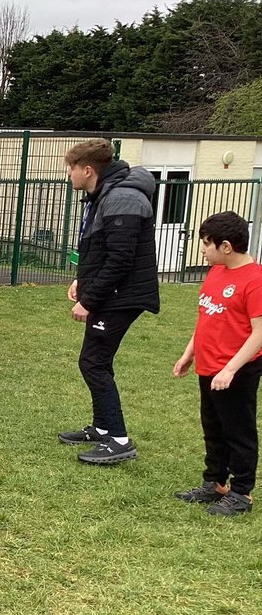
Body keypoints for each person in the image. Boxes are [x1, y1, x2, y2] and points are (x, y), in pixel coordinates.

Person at [57, 138, 159, 464]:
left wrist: (89, 300)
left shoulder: (122, 198)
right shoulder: (102, 195)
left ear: (87, 170)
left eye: (71, 169)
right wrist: (81, 280)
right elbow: (102, 249)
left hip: (122, 297)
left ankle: (117, 439)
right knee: (95, 361)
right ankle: (102, 429)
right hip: (112, 294)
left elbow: (120, 260)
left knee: (94, 363)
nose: (69, 175)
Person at [172, 211, 262, 516]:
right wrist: (189, 352)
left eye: (206, 244)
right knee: (212, 427)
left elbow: (259, 334)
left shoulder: (254, 280)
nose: (202, 250)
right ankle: (216, 483)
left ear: (226, 246)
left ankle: (241, 493)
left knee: (238, 430)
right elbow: (206, 317)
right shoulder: (216, 272)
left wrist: (231, 369)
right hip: (209, 367)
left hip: (236, 370)